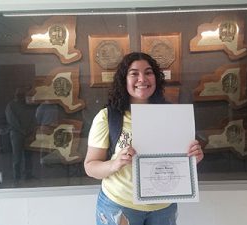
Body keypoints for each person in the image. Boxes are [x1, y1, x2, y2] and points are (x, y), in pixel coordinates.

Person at [84, 52, 204, 225]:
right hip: (119, 206)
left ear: (156, 78)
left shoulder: (173, 115)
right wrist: (115, 163)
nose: (142, 79)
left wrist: (192, 159)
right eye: (134, 73)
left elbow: (178, 161)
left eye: (148, 72)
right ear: (124, 79)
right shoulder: (108, 117)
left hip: (163, 208)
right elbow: (90, 167)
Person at [5, 87, 36, 180]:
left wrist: (31, 131)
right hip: (16, 134)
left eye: (22, 95)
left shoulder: (28, 105)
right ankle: (16, 177)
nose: (21, 97)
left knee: (28, 156)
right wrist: (22, 130)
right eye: (19, 95)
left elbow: (33, 118)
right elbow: (12, 120)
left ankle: (28, 175)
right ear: (16, 95)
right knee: (17, 157)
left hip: (28, 133)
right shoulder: (10, 105)